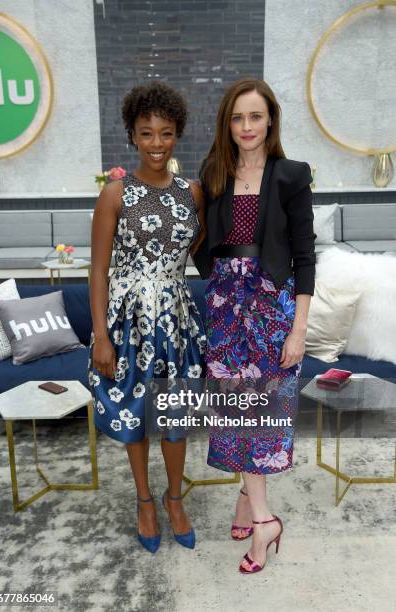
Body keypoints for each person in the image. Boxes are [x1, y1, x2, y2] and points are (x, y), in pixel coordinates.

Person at [194, 78, 316, 574]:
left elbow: (306, 256)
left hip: (270, 311)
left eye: (255, 117)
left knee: (259, 416)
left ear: (271, 120)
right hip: (225, 305)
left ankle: (264, 520)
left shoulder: (290, 175)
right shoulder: (214, 172)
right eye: (237, 118)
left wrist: (299, 328)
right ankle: (250, 502)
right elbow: (201, 238)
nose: (246, 127)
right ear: (228, 123)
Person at [88, 81, 206, 553]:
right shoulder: (114, 194)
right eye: (146, 133)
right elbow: (97, 271)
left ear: (177, 134)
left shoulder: (193, 192)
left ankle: (175, 498)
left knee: (175, 411)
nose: (156, 143)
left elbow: (199, 251)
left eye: (166, 132)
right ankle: (144, 501)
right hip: (127, 321)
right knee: (133, 413)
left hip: (176, 319)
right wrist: (100, 336)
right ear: (132, 136)